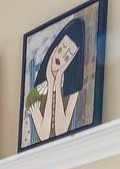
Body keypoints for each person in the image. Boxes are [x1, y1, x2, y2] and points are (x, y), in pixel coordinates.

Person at [25, 16, 86, 144]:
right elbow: (44, 135)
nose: (62, 56)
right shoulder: (33, 95)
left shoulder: (73, 90)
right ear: (55, 47)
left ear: (72, 60)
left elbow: (60, 131)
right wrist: (50, 81)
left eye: (68, 55)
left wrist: (56, 82)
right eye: (62, 48)